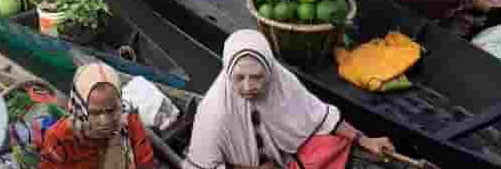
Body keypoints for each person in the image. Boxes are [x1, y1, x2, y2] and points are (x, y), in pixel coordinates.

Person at [186, 30, 394, 169]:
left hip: (284, 161)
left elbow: (321, 117)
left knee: (334, 142)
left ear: (269, 70)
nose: (248, 87)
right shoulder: (213, 110)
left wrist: (365, 140)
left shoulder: (282, 81)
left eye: (257, 77)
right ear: (227, 72)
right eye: (239, 78)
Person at [39, 63, 156, 169]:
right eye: (95, 113)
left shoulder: (129, 121)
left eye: (111, 110)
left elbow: (146, 163)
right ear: (80, 108)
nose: (105, 121)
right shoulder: (59, 138)